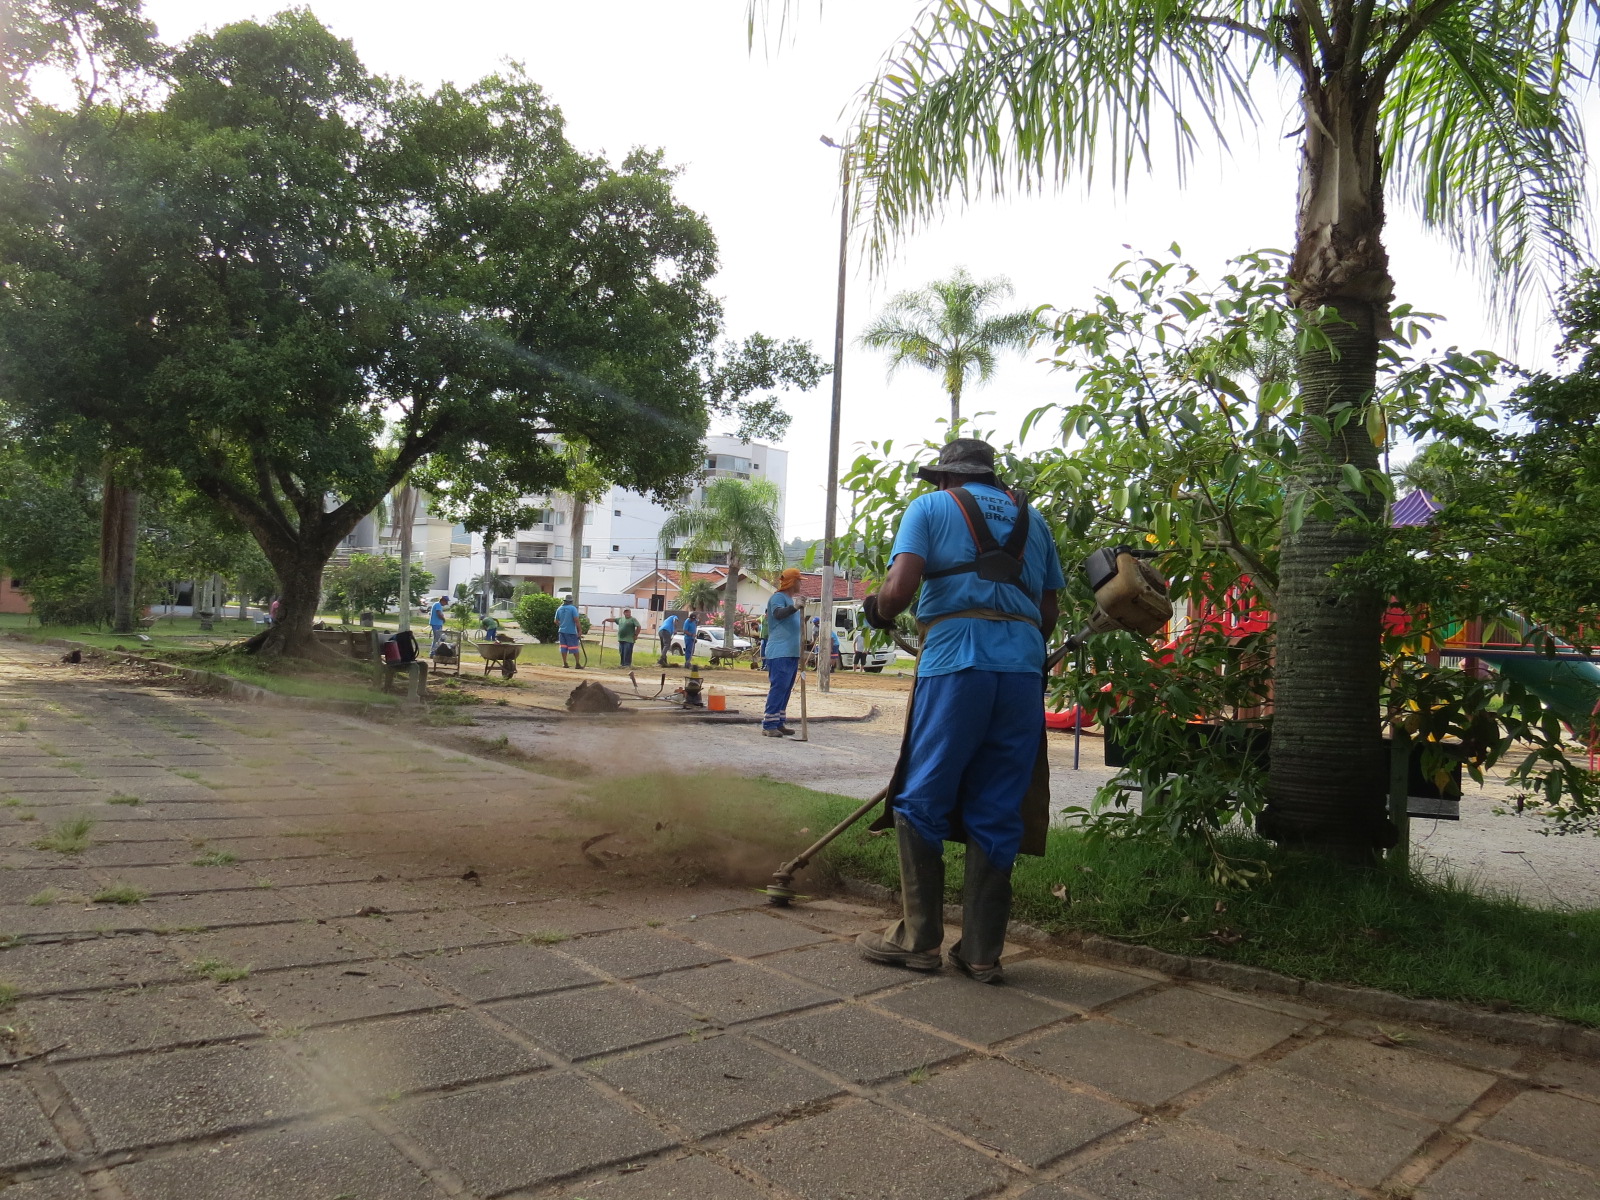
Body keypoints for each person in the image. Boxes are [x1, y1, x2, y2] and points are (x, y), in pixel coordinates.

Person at [856, 438, 1064, 985]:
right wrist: (1015, 644)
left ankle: (918, 940)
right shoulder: (1035, 521)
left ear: (946, 479)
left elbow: (900, 589)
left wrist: (878, 609)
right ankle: (981, 953)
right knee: (999, 804)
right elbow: (1048, 610)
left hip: (956, 663)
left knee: (923, 793)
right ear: (991, 479)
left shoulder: (929, 508)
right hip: (1021, 673)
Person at [762, 569, 803, 736]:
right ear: (793, 582)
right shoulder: (778, 598)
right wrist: (794, 607)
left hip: (791, 652)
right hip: (780, 651)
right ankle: (769, 725)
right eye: (800, 580)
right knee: (779, 687)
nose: (801, 583)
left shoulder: (788, 599)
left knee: (786, 688)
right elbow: (778, 614)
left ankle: (778, 721)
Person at [555, 596, 583, 668]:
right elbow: (576, 620)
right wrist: (580, 631)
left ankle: (565, 663)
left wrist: (561, 625)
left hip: (562, 631)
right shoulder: (573, 608)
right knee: (574, 647)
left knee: (563, 647)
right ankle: (577, 663)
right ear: (571, 601)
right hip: (571, 631)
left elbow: (555, 621)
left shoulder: (559, 608)